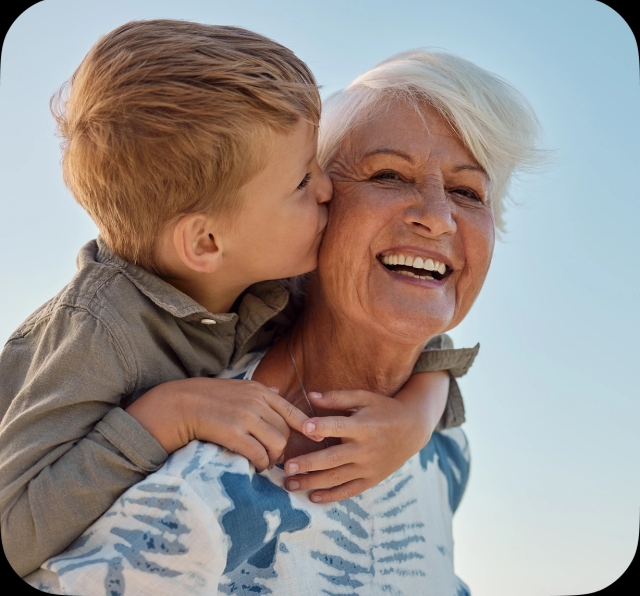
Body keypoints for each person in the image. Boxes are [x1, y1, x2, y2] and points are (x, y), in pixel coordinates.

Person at [25, 48, 543, 595]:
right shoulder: (195, 483)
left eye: (468, 191)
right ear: (320, 212)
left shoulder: (444, 453)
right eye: (389, 175)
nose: (438, 217)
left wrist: (418, 417)